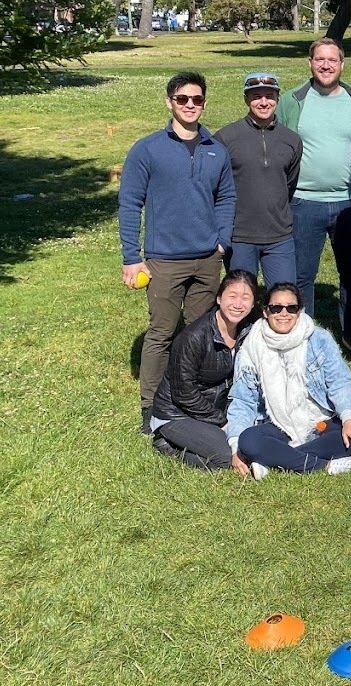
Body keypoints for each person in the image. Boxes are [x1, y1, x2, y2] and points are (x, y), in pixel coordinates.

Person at [119, 71, 236, 432]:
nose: (190, 105)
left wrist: (222, 240)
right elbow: (129, 202)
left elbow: (227, 196)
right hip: (164, 260)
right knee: (162, 332)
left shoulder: (215, 148)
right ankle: (151, 405)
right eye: (182, 99)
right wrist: (131, 257)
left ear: (204, 103)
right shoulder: (148, 149)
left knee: (201, 332)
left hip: (207, 259)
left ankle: (194, 396)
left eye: (197, 99)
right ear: (170, 101)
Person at [276, 38, 351, 353]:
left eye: (332, 60)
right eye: (320, 59)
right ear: (310, 63)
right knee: (302, 273)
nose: (326, 65)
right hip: (304, 202)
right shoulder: (292, 101)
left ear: (342, 64)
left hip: (349, 203)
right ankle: (301, 336)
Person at [226, 283, 351, 477]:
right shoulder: (251, 346)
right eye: (276, 308)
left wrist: (350, 418)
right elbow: (244, 401)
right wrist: (236, 447)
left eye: (291, 308)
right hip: (277, 424)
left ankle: (272, 460)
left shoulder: (319, 339)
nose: (283, 313)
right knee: (248, 441)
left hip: (319, 420)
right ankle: (327, 465)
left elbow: (340, 382)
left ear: (300, 311)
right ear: (265, 312)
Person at [149, 270, 258, 471]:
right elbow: (184, 393)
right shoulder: (193, 337)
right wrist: (223, 423)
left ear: (252, 304)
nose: (238, 304)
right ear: (219, 298)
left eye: (245, 298)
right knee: (226, 458)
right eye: (232, 296)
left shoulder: (250, 331)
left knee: (251, 447)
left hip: (216, 409)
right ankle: (166, 444)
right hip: (176, 412)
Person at [215, 73, 302, 287]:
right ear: (246, 100)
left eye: (269, 96)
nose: (263, 102)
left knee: (283, 298)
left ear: (278, 98)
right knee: (241, 300)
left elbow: (289, 182)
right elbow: (216, 188)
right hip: (240, 236)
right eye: (256, 96)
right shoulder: (225, 138)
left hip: (279, 236)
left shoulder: (291, 140)